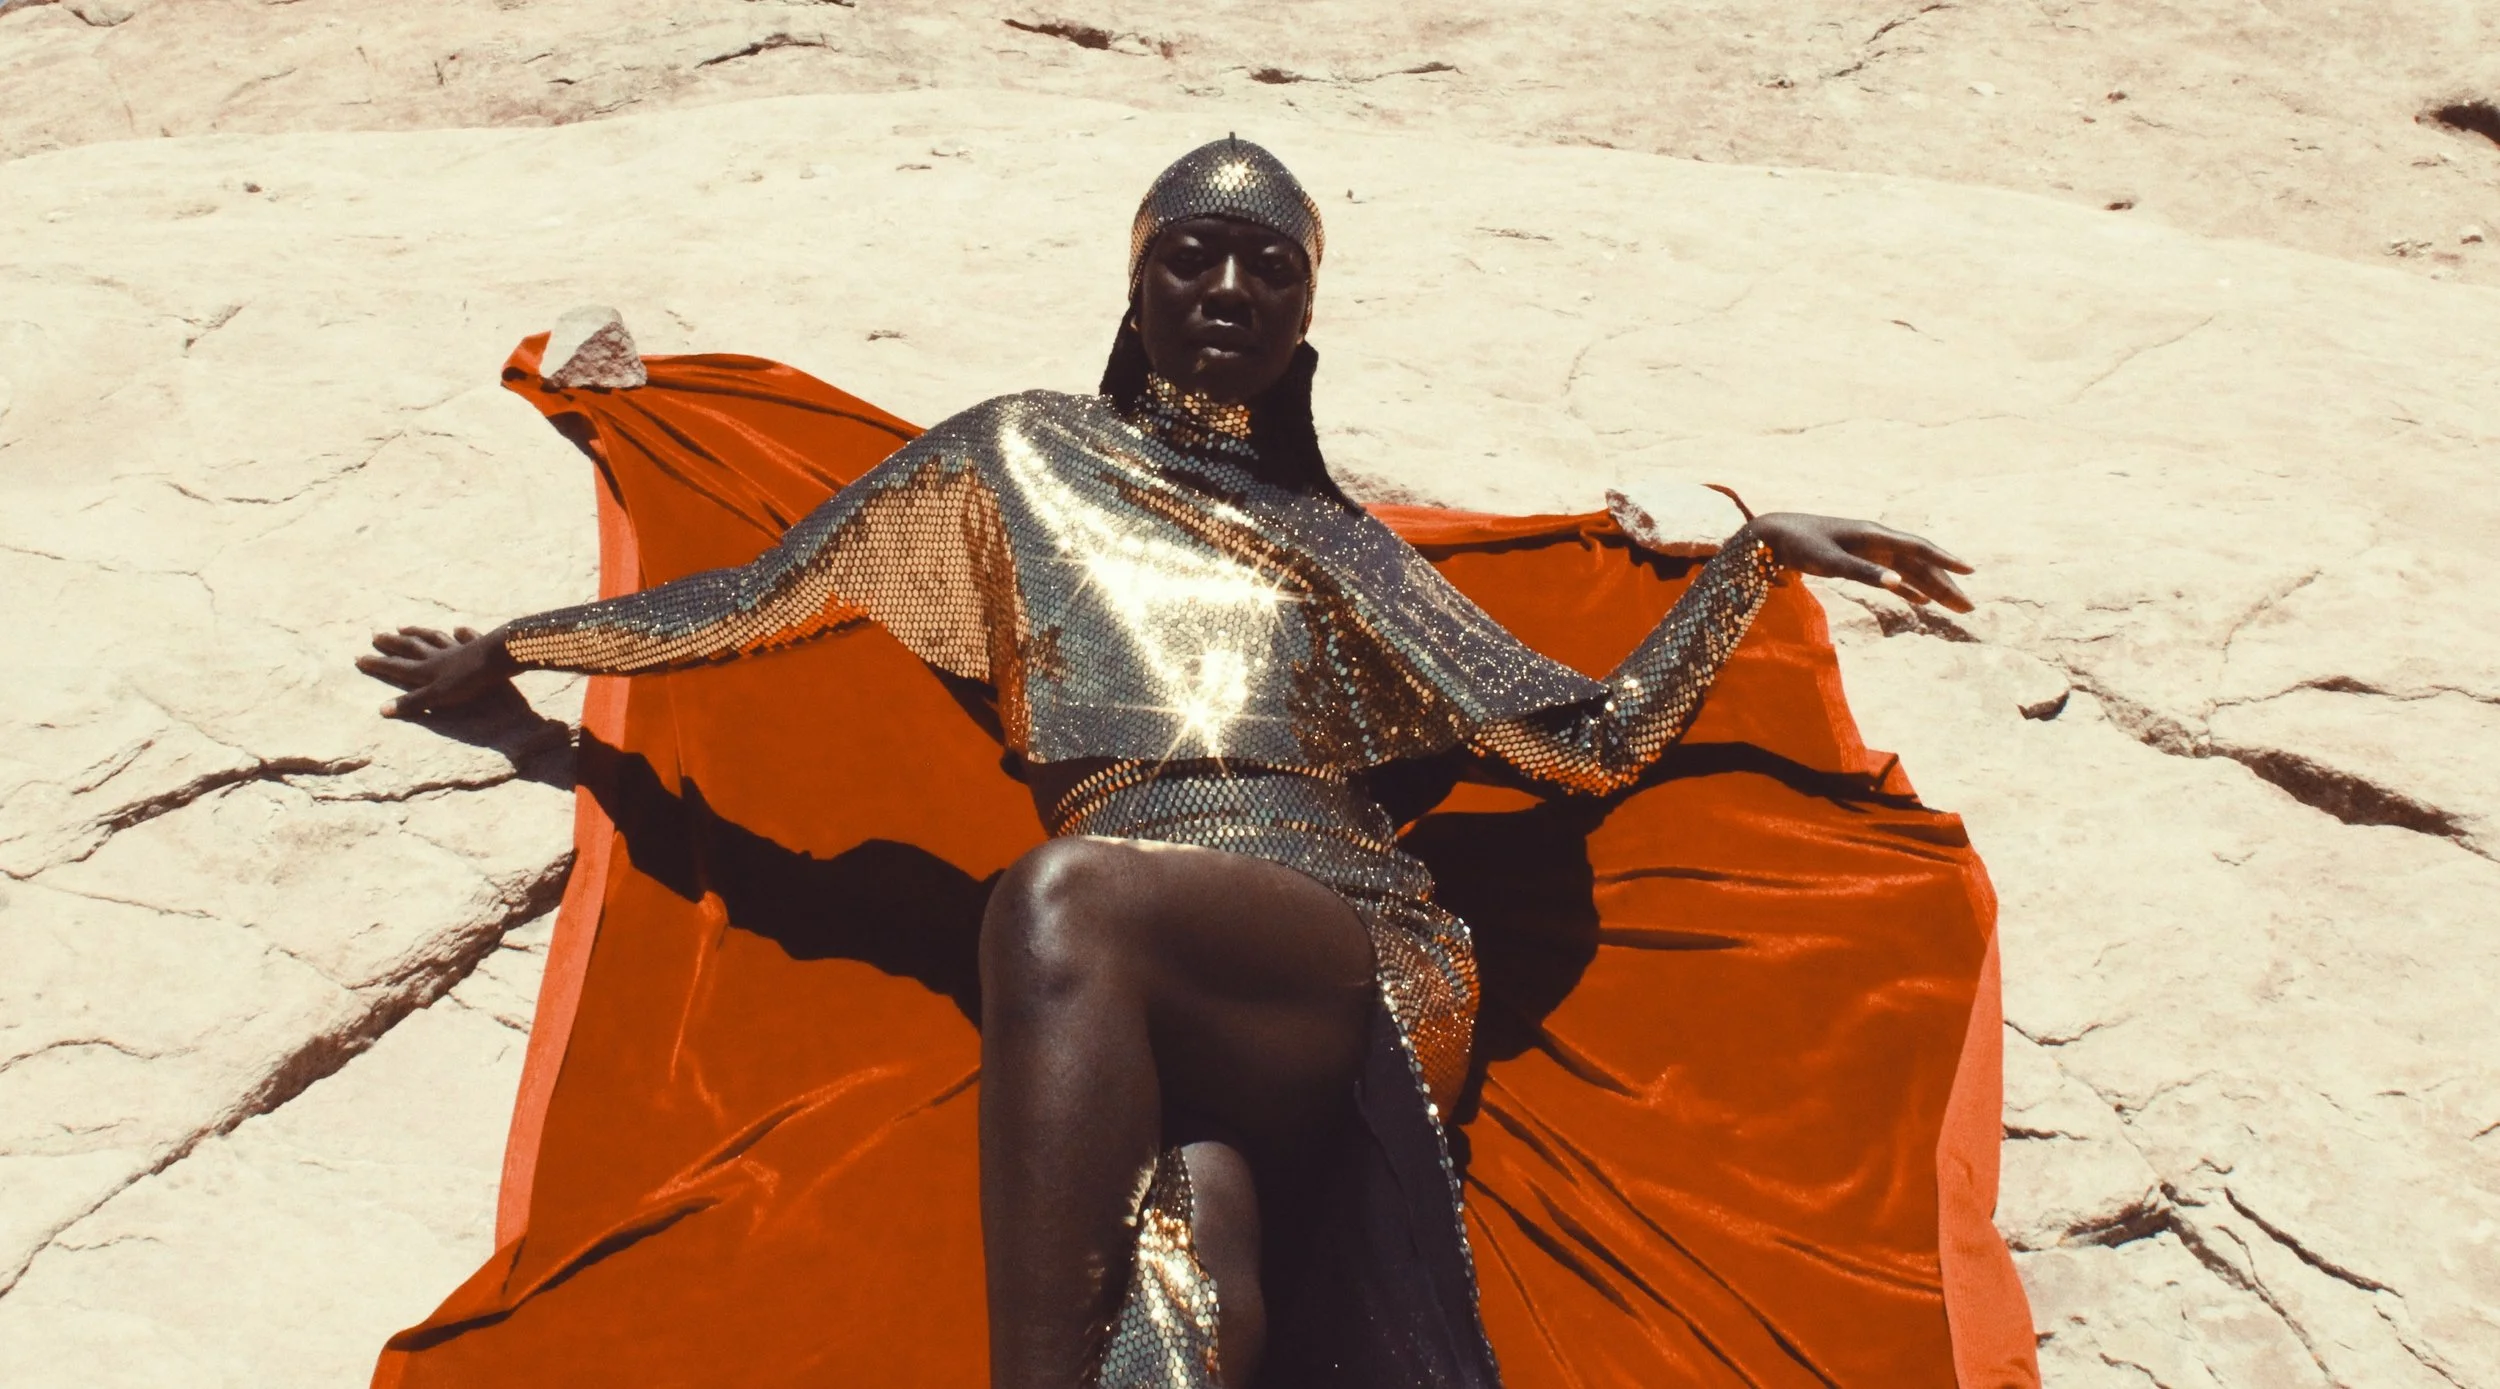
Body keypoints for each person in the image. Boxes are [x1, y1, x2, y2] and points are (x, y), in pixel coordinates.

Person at [360, 139, 1976, 1389]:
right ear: (1137, 288)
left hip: (1352, 955)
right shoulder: (1019, 452)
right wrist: (518, 650)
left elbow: (1586, 742)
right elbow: (760, 598)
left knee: (1061, 900)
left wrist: (1749, 565)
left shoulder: (1343, 545)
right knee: (1185, 1282)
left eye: (1271, 268)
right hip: (1145, 997)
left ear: (1305, 316)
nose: (1229, 287)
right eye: (1191, 256)